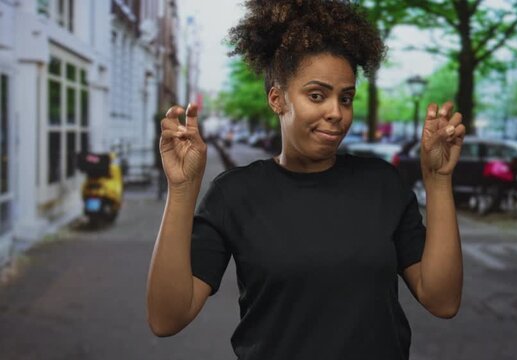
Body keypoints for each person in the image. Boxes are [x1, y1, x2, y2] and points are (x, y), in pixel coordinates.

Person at [146, 1, 465, 359]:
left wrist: (438, 181)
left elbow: (442, 300)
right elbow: (166, 318)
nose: (336, 113)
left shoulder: (382, 185)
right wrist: (182, 189)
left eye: (346, 98)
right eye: (317, 95)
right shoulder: (233, 195)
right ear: (278, 99)